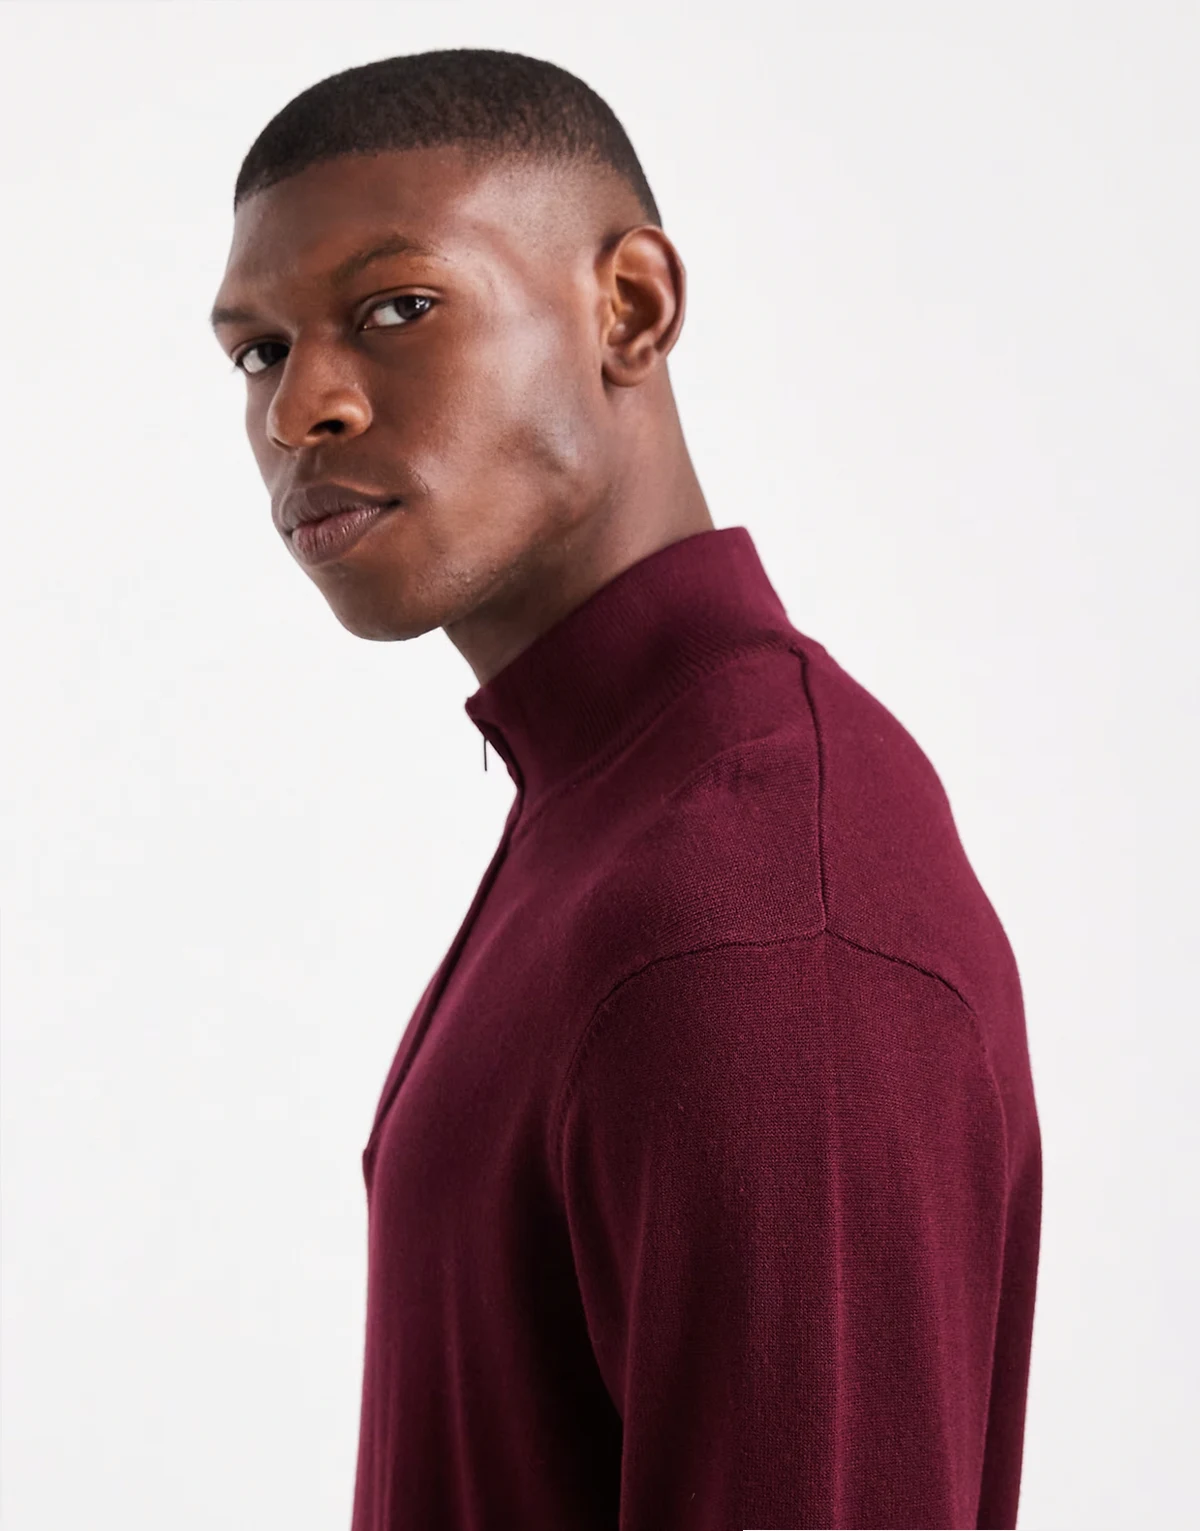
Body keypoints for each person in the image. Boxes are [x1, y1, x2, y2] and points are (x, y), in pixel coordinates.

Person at [209, 48, 1041, 1531]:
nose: (299, 411)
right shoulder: (616, 811)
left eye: (397, 309)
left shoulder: (758, 907)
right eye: (260, 352)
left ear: (632, 309)